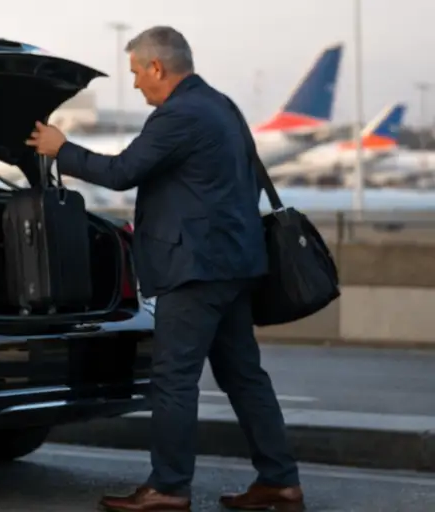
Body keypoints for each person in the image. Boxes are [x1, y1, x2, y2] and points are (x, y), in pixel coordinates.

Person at [26, 26, 303, 512]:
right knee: (244, 377)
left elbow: (120, 173)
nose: (135, 84)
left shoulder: (179, 116)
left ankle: (168, 488)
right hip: (234, 265)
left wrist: (61, 149)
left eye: (136, 72)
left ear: (158, 67)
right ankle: (279, 482)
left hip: (194, 270)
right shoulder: (222, 106)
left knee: (173, 379)